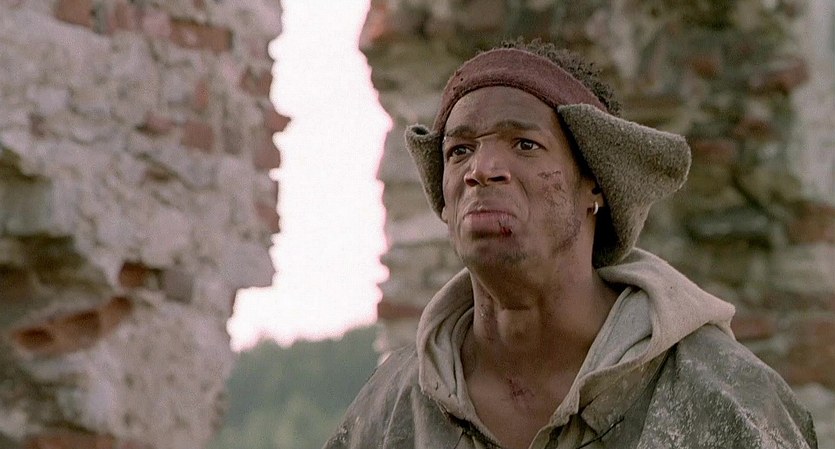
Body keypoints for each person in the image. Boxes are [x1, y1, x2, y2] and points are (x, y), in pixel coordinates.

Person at [323, 40, 818, 449]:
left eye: (525, 144)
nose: (481, 170)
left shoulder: (724, 398)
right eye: (460, 150)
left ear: (593, 185)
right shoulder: (390, 413)